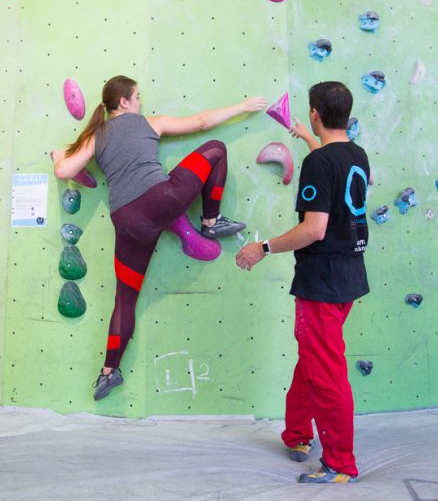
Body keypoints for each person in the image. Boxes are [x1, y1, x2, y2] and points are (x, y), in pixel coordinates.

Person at [52, 75, 267, 400]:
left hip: (127, 221)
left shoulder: (95, 137)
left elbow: (63, 172)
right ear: (124, 102)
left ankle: (109, 372)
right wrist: (244, 106)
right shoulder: (148, 123)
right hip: (160, 200)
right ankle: (210, 221)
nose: (140, 102)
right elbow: (202, 122)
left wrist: (58, 158)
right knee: (217, 150)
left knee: (124, 300)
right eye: (137, 96)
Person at [235, 81, 370, 484]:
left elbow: (313, 229)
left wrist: (263, 247)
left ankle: (340, 464)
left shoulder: (320, 164)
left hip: (321, 282)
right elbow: (330, 169)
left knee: (325, 372)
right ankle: (296, 436)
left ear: (316, 112)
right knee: (313, 360)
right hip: (348, 276)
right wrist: (308, 137)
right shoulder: (356, 155)